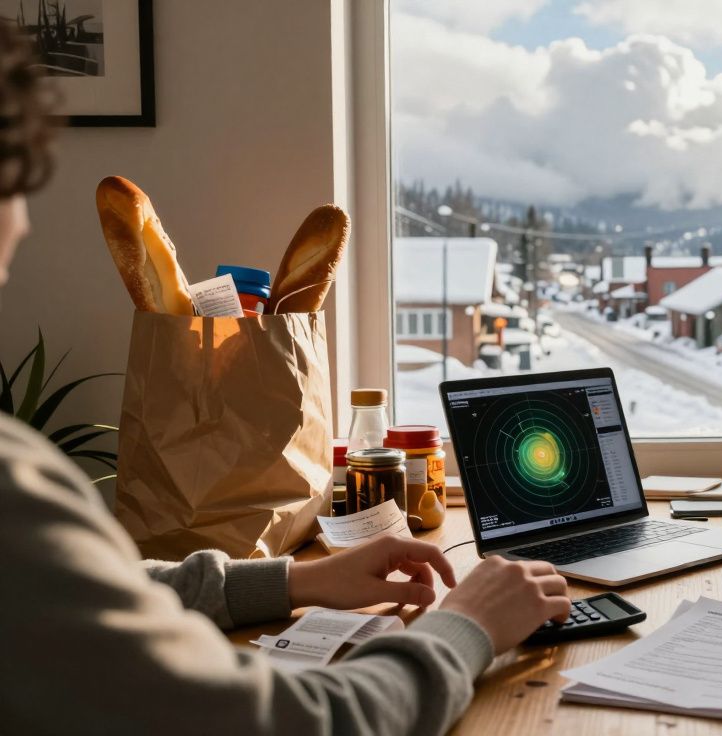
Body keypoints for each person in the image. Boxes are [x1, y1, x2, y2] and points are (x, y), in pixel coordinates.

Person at [0, 25, 570, 734]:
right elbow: (297, 722)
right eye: (16, 183)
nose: (22, 223)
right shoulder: (13, 486)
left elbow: (92, 598)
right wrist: (466, 626)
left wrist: (300, 579)